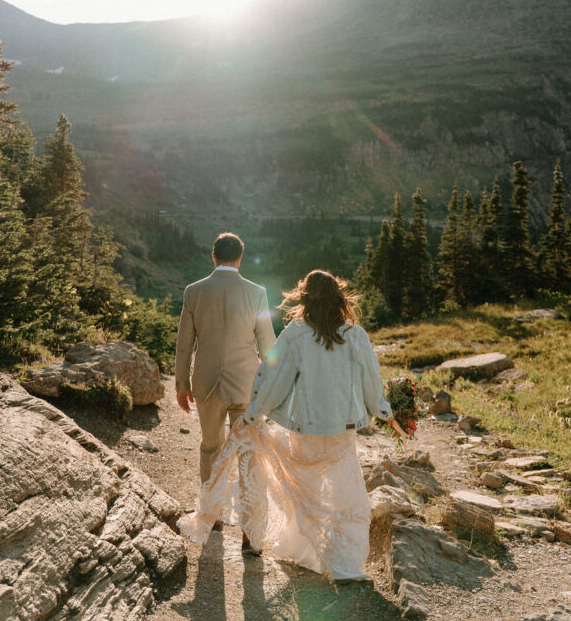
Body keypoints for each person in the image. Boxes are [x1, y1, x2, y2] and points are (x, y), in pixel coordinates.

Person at [178, 269, 408, 580]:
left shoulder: (296, 333)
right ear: (339, 298)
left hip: (306, 426)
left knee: (306, 489)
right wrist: (386, 414)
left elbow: (274, 378)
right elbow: (371, 381)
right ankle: (346, 563)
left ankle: (308, 554)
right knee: (346, 493)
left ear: (305, 299)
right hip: (343, 428)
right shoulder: (356, 335)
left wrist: (254, 412)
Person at [174, 231, 276, 546]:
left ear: (214, 256)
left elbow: (184, 344)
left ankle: (213, 514)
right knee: (249, 454)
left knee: (209, 448)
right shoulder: (257, 292)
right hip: (246, 386)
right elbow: (267, 343)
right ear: (240, 258)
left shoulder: (194, 291)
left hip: (205, 384)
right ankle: (250, 530)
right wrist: (271, 386)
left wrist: (181, 384)